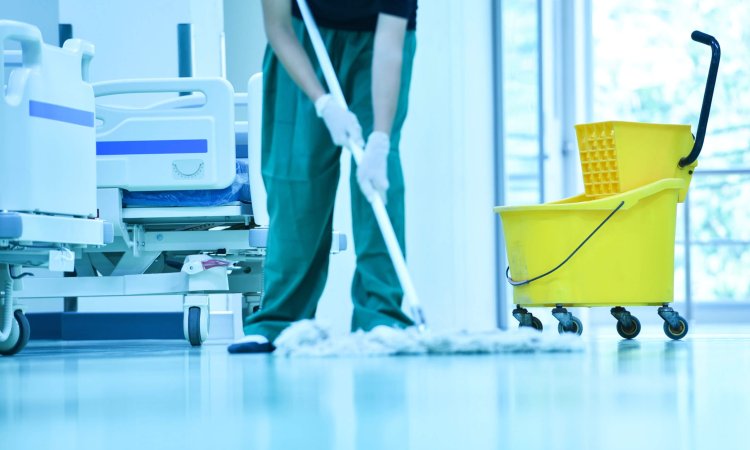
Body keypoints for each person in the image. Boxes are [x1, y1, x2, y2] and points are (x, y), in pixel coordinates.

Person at [228, 0, 418, 353]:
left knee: (379, 176)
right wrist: (323, 103)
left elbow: (390, 46)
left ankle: (382, 317)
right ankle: (279, 321)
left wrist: (379, 139)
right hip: (301, 39)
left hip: (378, 44)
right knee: (296, 176)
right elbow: (278, 27)